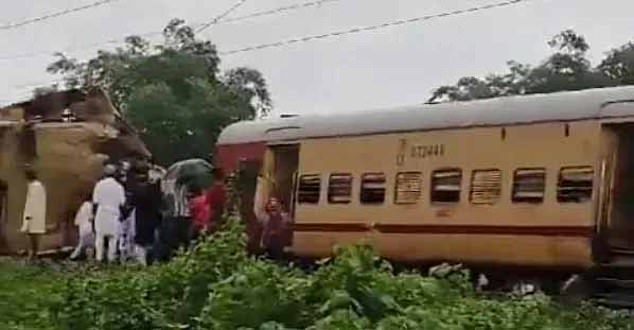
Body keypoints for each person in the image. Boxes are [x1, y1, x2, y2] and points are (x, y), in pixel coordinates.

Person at [92, 164, 126, 263]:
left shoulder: (99, 185)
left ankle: (99, 258)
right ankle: (111, 258)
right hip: (114, 214)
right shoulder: (119, 187)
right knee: (113, 238)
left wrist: (93, 216)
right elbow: (122, 203)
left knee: (99, 237)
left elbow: (95, 202)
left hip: (102, 213)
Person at [131, 170, 162, 265]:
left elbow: (132, 203)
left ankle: (141, 262)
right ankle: (153, 261)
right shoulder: (155, 191)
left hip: (140, 219)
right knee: (152, 242)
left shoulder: (137, 191)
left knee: (140, 242)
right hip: (153, 219)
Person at [20, 168, 47, 260]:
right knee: (34, 236)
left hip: (32, 217)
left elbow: (31, 204)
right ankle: (33, 254)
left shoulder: (34, 187)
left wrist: (27, 219)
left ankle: (32, 255)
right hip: (38, 217)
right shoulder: (40, 186)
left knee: (31, 237)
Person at [69, 195, 94, 260]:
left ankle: (76, 256)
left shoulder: (83, 206)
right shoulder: (89, 205)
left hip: (82, 226)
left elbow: (77, 220)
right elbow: (90, 217)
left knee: (85, 243)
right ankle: (74, 256)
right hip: (88, 226)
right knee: (87, 243)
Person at [206, 168, 227, 233]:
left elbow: (208, 203)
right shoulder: (225, 190)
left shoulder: (212, 190)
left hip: (214, 217)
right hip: (222, 218)